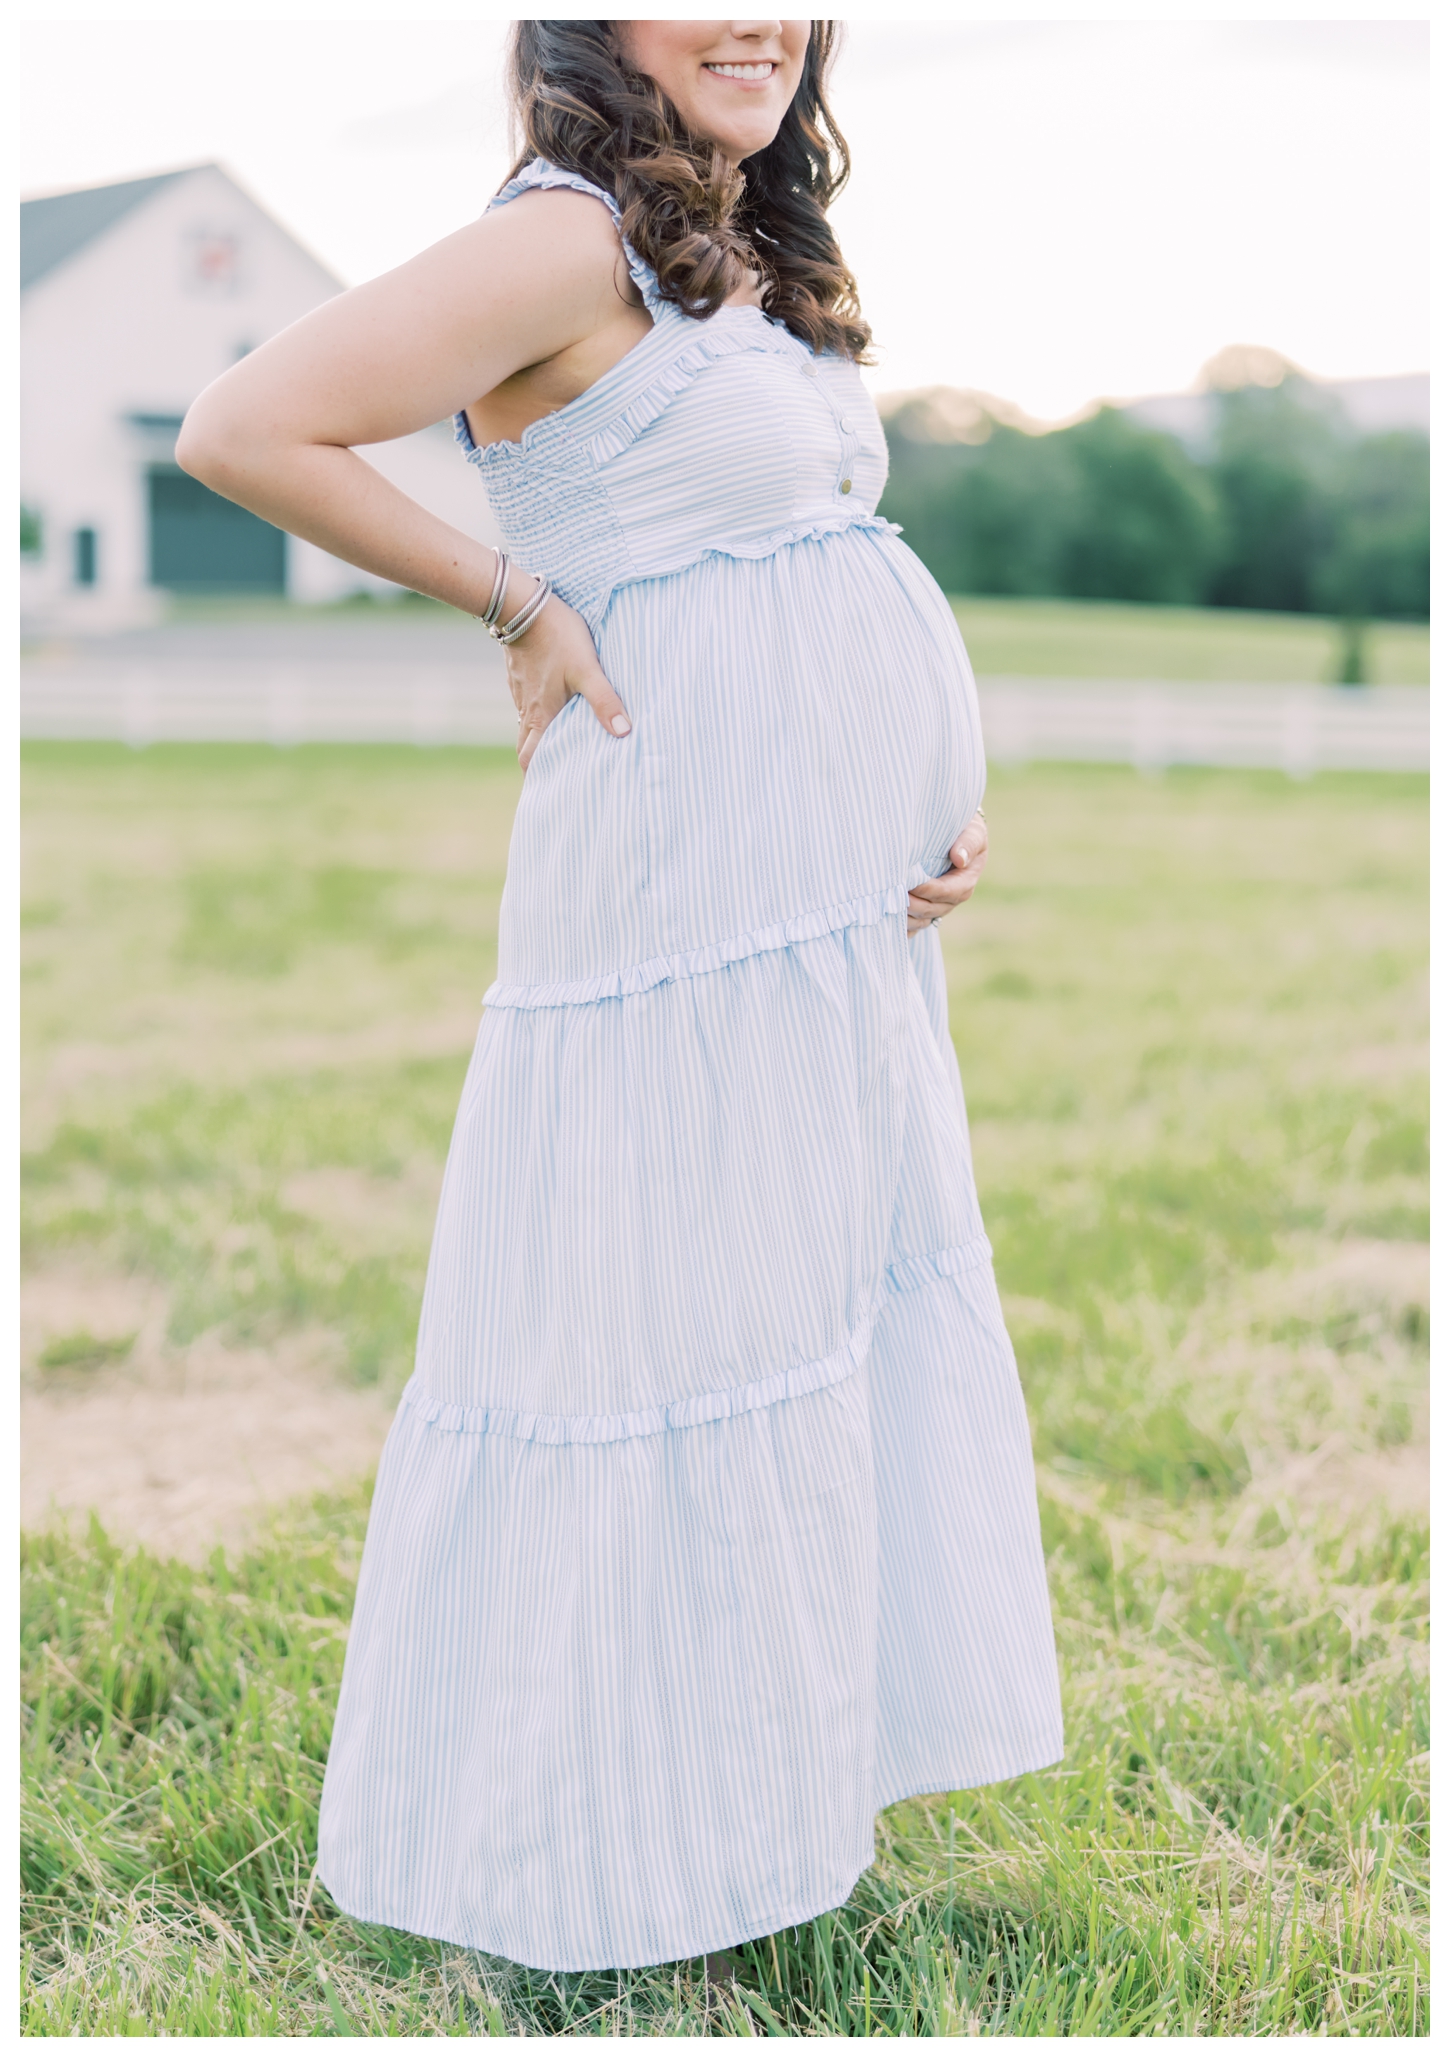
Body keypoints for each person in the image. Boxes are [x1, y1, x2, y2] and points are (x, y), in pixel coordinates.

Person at [177, 18, 1062, 1976]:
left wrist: (922, 787)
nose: (758, 17)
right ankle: (579, 1858)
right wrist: (516, 594)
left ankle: (756, 1810)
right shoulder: (565, 240)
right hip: (672, 895)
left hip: (809, 918)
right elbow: (245, 425)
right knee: (651, 1349)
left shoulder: (731, 246)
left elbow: (802, 556)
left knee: (789, 1331)